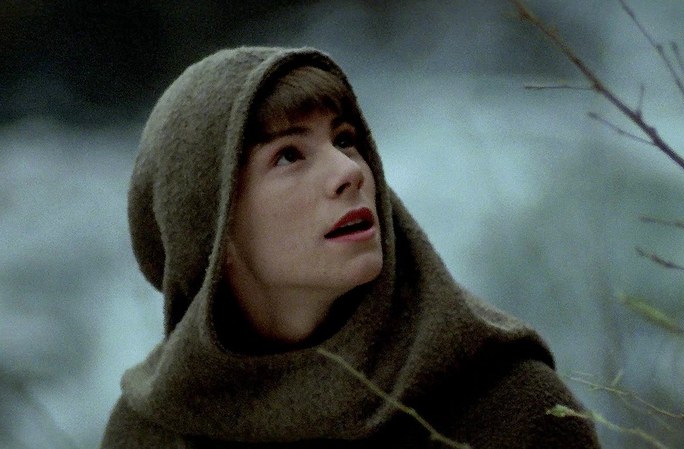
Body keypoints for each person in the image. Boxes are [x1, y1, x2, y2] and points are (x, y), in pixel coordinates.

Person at [101, 46, 600, 448]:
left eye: (344, 139)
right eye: (289, 155)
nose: (350, 171)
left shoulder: (509, 407)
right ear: (211, 232)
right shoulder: (152, 430)